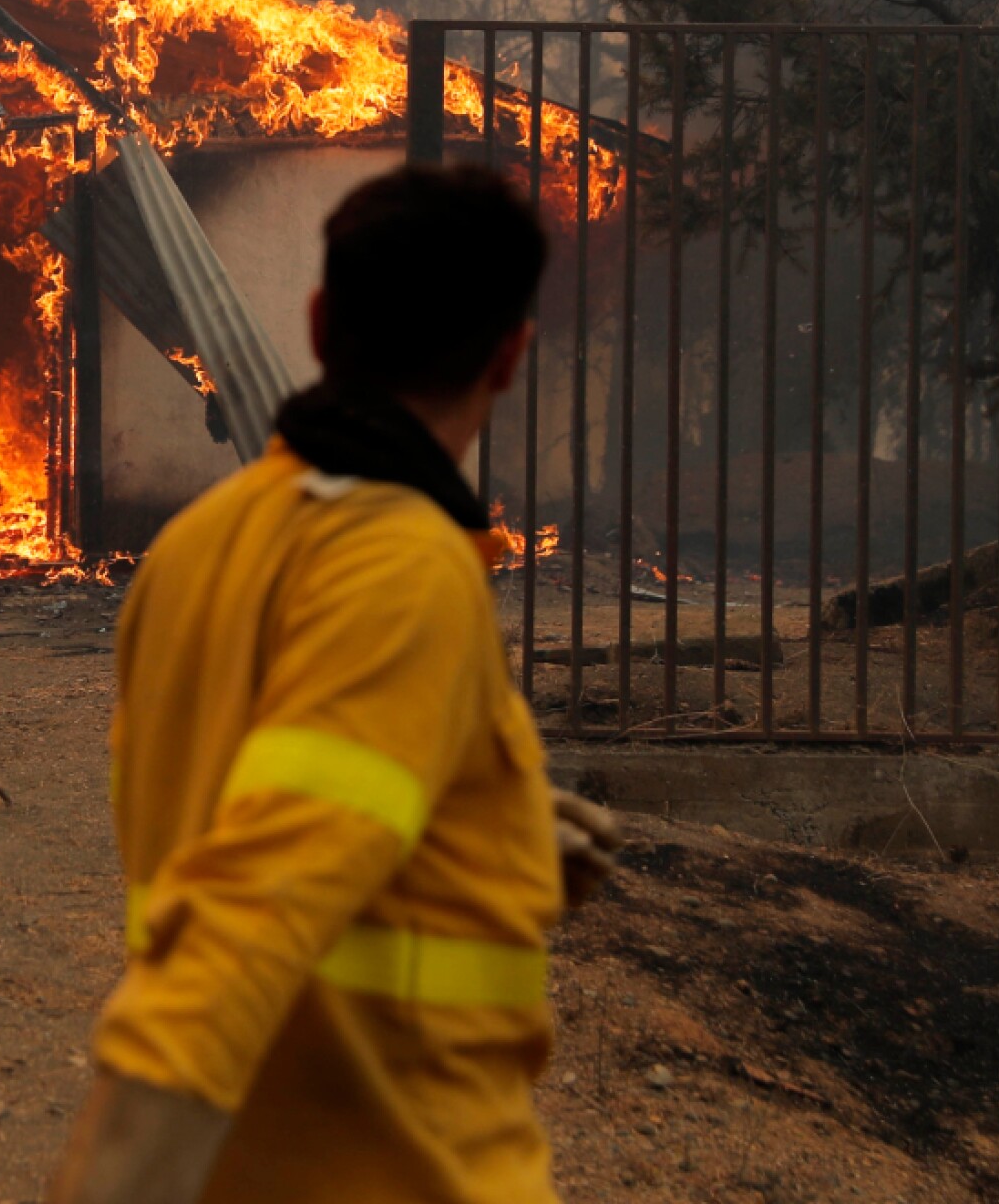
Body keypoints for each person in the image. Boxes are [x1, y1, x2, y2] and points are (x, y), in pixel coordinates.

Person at [46, 164, 622, 1204]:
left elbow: (259, 796)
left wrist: (488, 838)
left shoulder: (195, 549)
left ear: (317, 324)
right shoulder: (405, 568)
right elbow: (249, 914)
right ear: (508, 355)